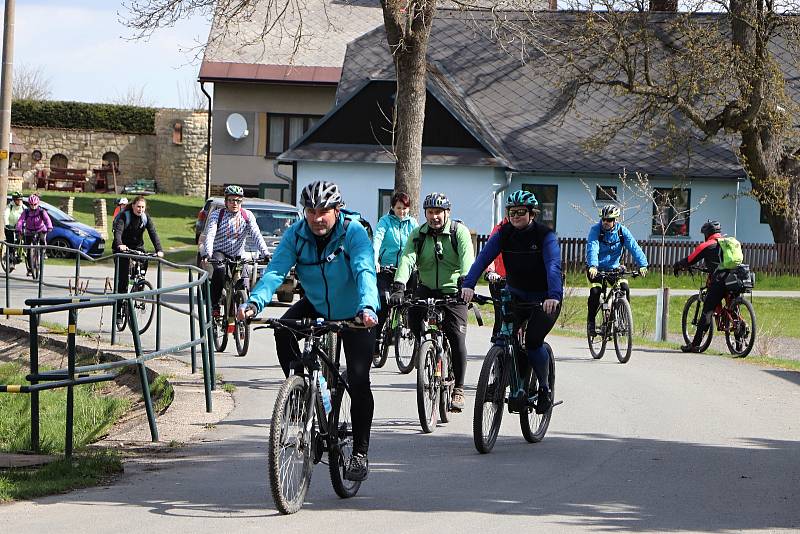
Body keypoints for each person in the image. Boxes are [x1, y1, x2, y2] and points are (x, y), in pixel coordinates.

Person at [238, 180, 378, 482]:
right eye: (311, 211)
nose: (317, 218)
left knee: (357, 378)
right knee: (282, 330)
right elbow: (275, 271)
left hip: (356, 310)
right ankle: (302, 395)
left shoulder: (353, 232)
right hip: (317, 304)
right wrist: (254, 304)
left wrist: (368, 308)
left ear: (336, 210)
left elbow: (365, 270)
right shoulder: (296, 234)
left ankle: (360, 453)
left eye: (323, 211)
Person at [461, 190, 563, 414]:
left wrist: (553, 296)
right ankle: (500, 380)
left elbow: (553, 266)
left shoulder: (545, 236)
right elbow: (483, 258)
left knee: (533, 342)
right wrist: (468, 284)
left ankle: (544, 388)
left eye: (520, 212)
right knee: (503, 336)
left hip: (544, 298)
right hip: (515, 294)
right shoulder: (503, 233)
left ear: (531, 213)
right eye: (511, 212)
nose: (515, 216)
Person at [389, 192, 475, 412]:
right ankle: (424, 346)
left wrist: (466, 282)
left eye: (438, 212)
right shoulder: (418, 235)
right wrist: (399, 285)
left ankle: (458, 388)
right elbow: (407, 258)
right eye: (430, 212)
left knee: (456, 336)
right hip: (426, 287)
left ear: (447, 213)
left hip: (454, 290)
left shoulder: (459, 232)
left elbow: (467, 258)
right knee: (413, 314)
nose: (434, 216)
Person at [200, 185, 269, 316]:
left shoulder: (247, 215)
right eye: (231, 200)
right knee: (219, 270)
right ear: (226, 201)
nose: (235, 203)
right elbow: (210, 235)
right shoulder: (217, 215)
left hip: (238, 254)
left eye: (238, 201)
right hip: (219, 252)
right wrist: (208, 253)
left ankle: (243, 304)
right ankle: (215, 305)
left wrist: (265, 253)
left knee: (245, 278)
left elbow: (256, 234)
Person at [585, 204, 648, 336]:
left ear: (615, 220)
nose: (605, 222)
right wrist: (593, 266)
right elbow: (593, 248)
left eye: (609, 220)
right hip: (596, 268)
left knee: (624, 288)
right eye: (603, 219)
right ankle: (591, 323)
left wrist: (642, 264)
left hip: (614, 268)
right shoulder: (596, 230)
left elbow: (634, 247)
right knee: (596, 292)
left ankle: (623, 321)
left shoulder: (622, 231)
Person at [372, 191, 419, 351]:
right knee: (383, 303)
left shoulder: (412, 223)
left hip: (405, 270)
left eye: (405, 208)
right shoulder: (385, 221)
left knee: (412, 300)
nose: (402, 211)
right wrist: (375, 259)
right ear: (393, 207)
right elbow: (377, 239)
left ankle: (410, 329)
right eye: (399, 208)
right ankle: (377, 338)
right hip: (386, 267)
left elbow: (419, 243)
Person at [673, 219, 727, 353]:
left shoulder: (707, 245)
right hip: (736, 279)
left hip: (719, 281)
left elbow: (690, 259)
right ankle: (738, 345)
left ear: (707, 233)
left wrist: (678, 265)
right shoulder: (729, 243)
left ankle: (694, 345)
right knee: (732, 310)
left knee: (707, 311)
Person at [112, 196, 164, 306]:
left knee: (144, 260)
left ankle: (140, 285)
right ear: (133, 206)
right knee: (123, 279)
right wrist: (120, 244)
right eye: (138, 207)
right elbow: (118, 232)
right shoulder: (124, 216)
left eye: (143, 207)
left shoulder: (145, 218)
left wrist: (159, 250)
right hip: (122, 247)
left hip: (137, 247)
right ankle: (119, 310)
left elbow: (153, 233)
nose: (140, 209)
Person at [484, 216, 508, 342]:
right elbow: (489, 254)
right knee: (500, 315)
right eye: (512, 212)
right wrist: (491, 271)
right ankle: (496, 349)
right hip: (499, 280)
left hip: (521, 281)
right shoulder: (499, 230)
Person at [15, 194, 52, 276]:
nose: (33, 206)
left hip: (40, 229)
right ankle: (30, 267)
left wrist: (49, 227)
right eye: (31, 204)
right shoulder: (26, 211)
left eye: (35, 204)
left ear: (38, 204)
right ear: (29, 204)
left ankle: (44, 252)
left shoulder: (42, 211)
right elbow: (20, 220)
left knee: (42, 240)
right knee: (28, 250)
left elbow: (47, 219)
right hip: (29, 231)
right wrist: (19, 229)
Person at [4, 192, 25, 259]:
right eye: (17, 200)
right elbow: (5, 215)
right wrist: (7, 224)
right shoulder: (10, 206)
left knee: (21, 240)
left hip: (20, 227)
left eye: (20, 199)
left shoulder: (23, 207)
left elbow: (27, 216)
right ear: (14, 200)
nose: (19, 201)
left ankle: (20, 254)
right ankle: (10, 258)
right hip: (10, 227)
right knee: (11, 242)